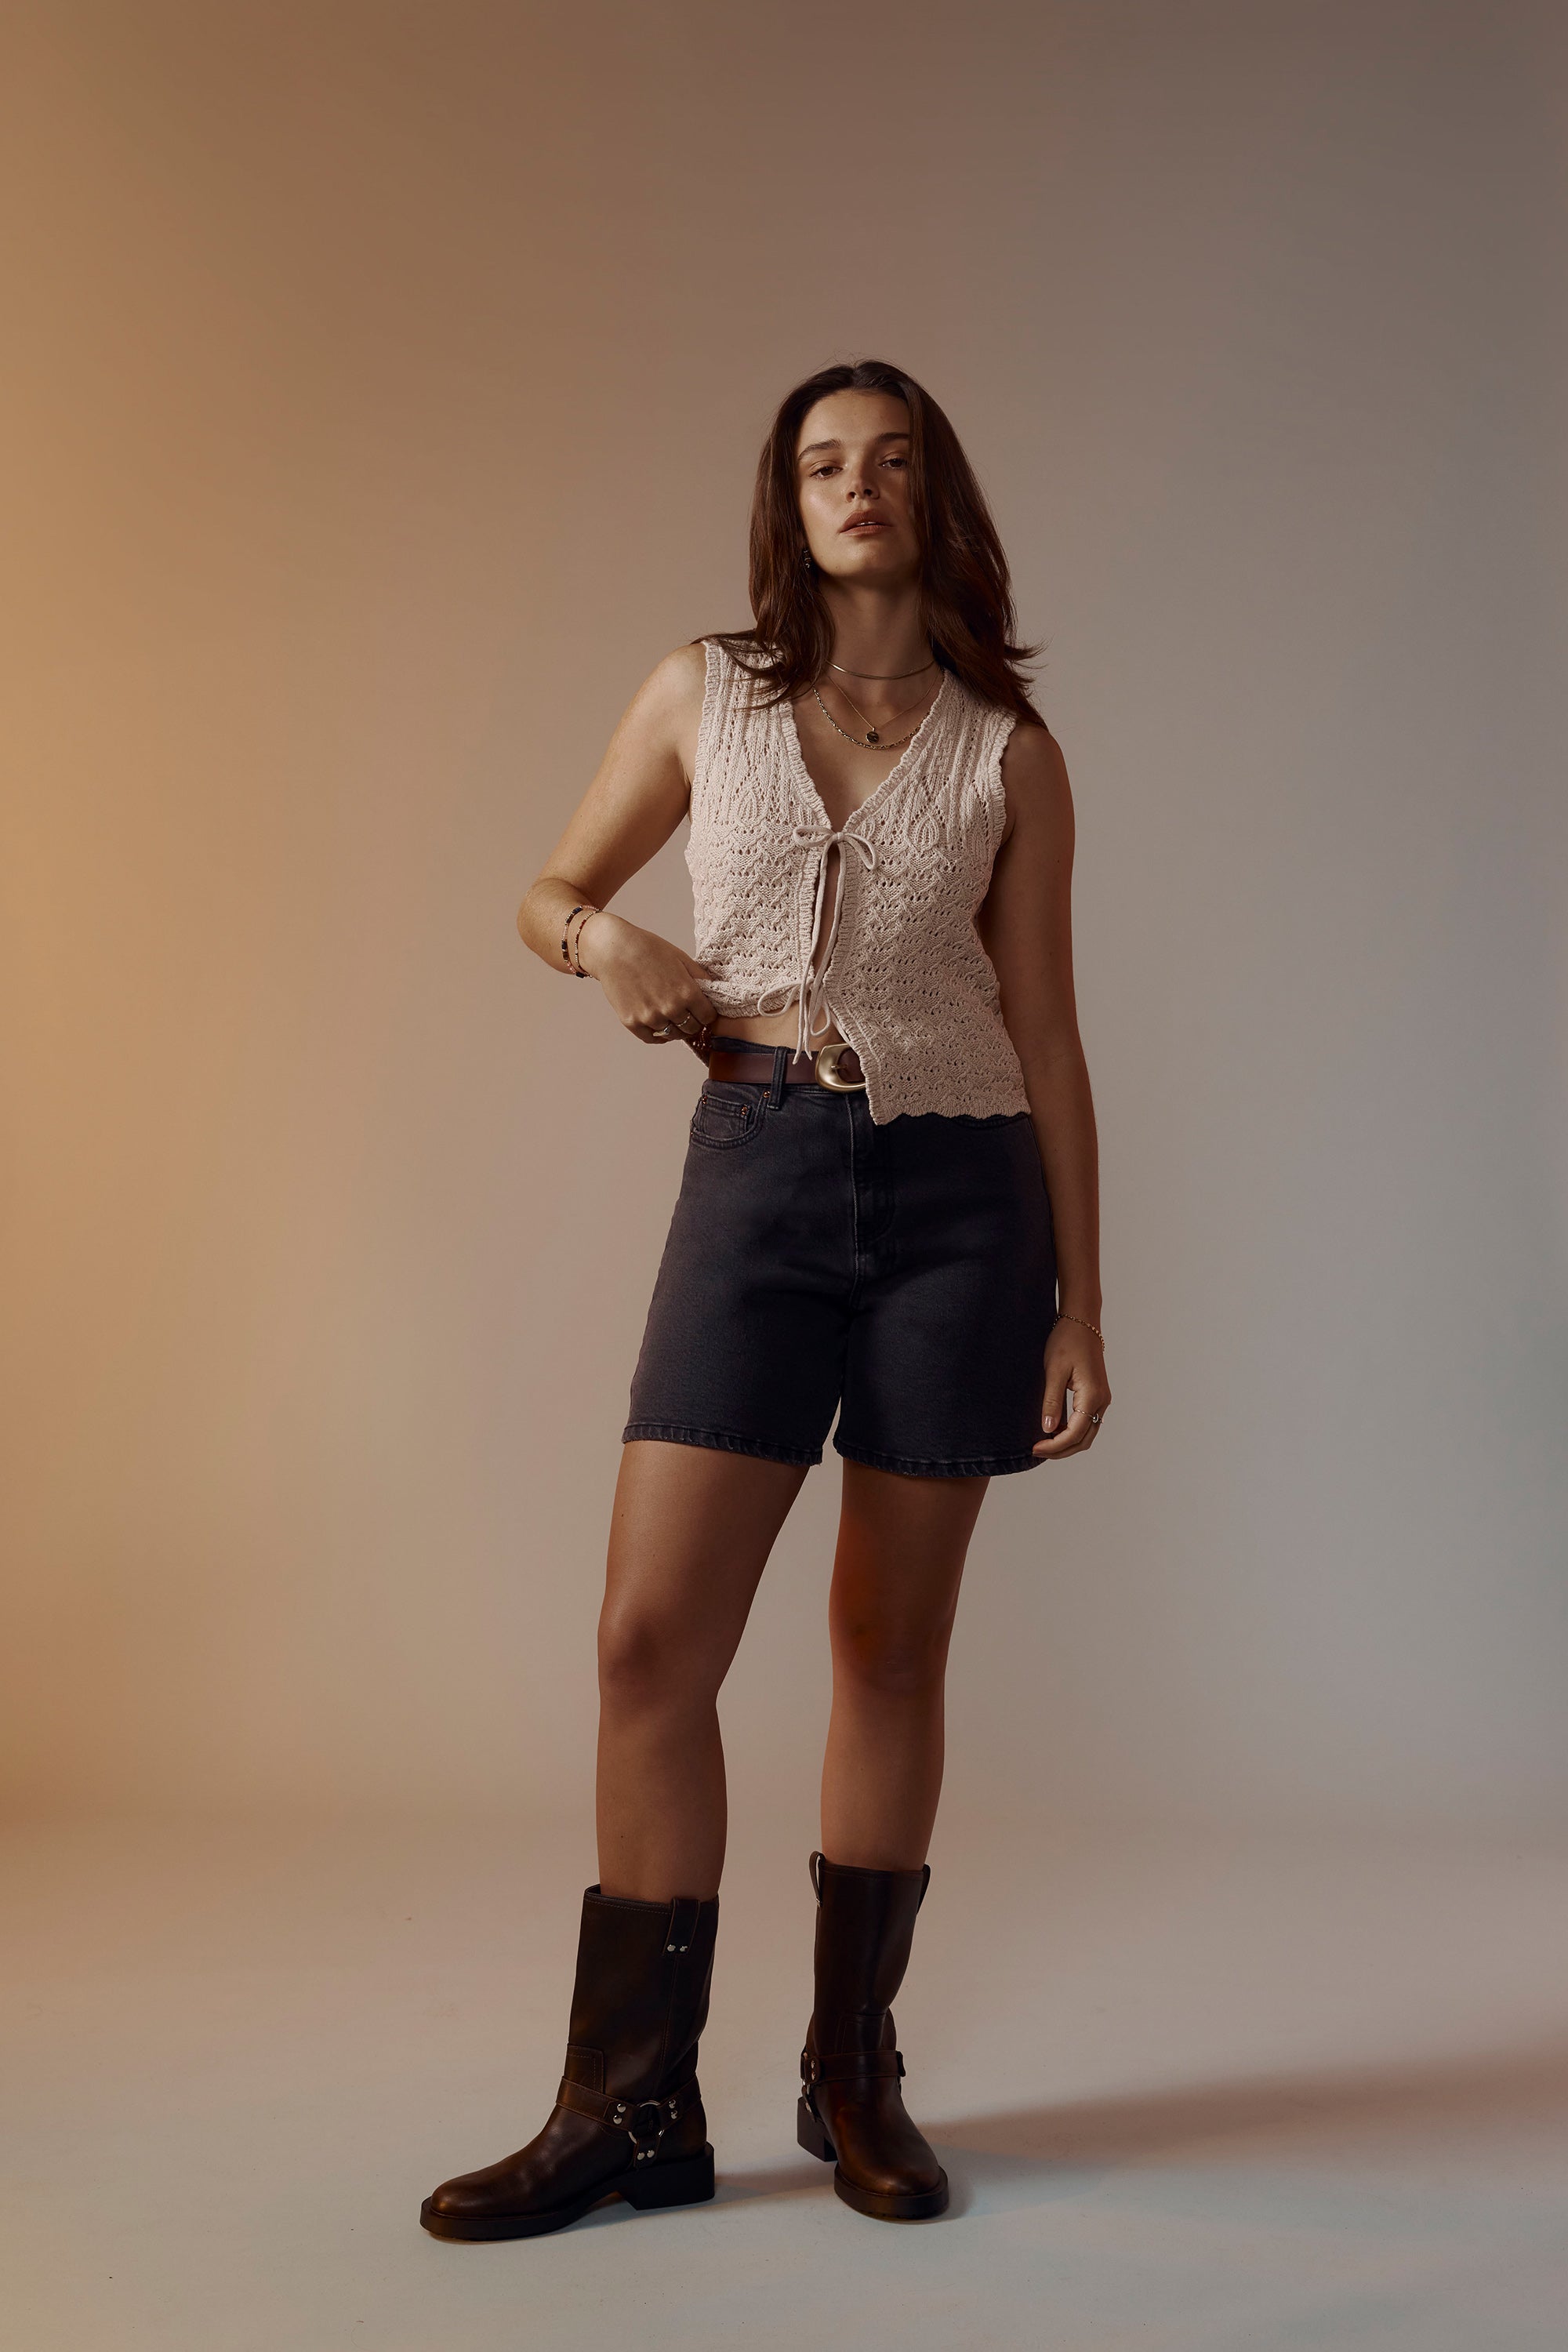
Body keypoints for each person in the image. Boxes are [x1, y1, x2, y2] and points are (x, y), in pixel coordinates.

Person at [419, 358, 1110, 2241]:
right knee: (650, 1641)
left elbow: (1045, 1035)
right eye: (825, 463)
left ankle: (850, 2075)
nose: (857, 488)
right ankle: (631, 2108)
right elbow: (549, 888)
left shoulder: (1007, 750)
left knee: (887, 1647)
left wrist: (1080, 1306)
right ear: (788, 502)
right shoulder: (699, 692)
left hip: (964, 1203)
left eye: (890, 461)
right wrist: (610, 939)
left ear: (934, 494)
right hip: (757, 1179)